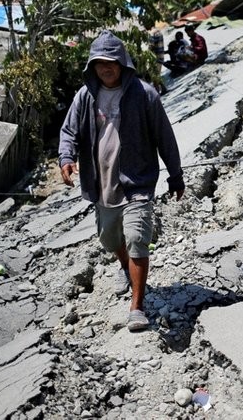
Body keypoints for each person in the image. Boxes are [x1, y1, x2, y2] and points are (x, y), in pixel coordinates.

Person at [58, 30, 185, 332]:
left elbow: (164, 138)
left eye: (111, 61)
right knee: (110, 239)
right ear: (92, 66)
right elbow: (69, 132)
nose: (106, 68)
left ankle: (137, 308)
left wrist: (175, 174)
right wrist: (66, 158)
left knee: (137, 237)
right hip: (101, 184)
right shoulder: (85, 97)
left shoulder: (144, 94)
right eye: (100, 62)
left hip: (138, 182)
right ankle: (124, 268)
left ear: (122, 63)